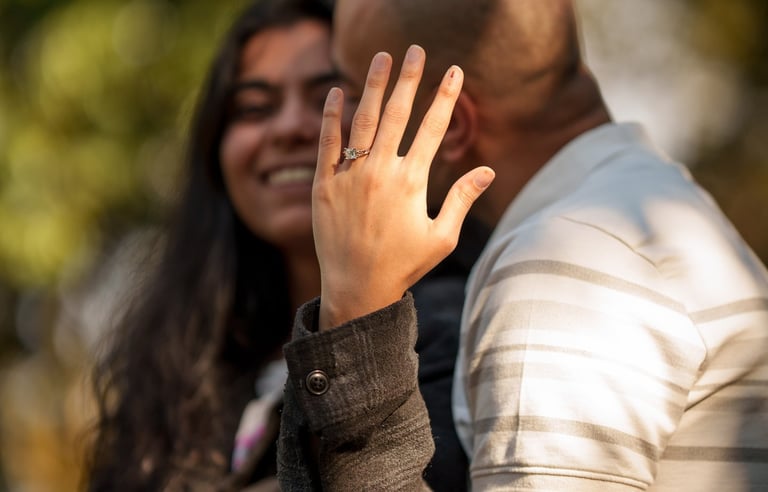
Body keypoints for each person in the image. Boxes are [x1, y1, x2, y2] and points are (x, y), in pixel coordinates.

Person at [277, 0, 768, 490]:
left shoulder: (561, 267)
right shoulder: (652, 209)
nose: (333, 127)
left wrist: (357, 312)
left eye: (353, 95)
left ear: (450, 125)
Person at [85, 0, 480, 490]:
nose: (290, 127)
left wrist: (357, 316)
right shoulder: (182, 359)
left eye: (330, 97)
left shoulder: (456, 330)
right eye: (254, 108)